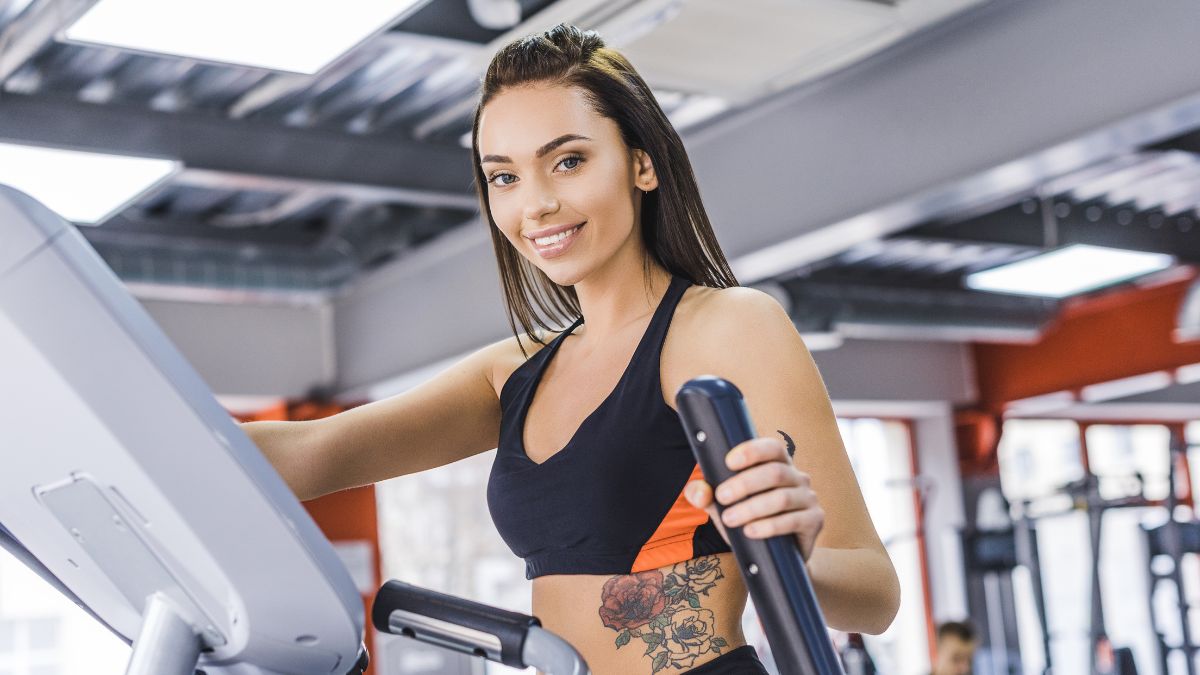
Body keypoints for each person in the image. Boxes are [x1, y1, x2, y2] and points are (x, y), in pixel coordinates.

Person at [241, 23, 899, 674]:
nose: (538, 204)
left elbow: (874, 593)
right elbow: (310, 452)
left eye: (568, 160)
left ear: (641, 162)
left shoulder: (727, 326)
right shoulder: (517, 372)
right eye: (505, 177)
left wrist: (793, 555)